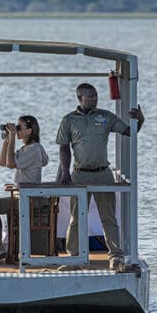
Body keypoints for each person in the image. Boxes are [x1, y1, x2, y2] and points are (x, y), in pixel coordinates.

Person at [56, 83, 145, 271]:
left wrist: (140, 120)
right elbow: (64, 148)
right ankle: (75, 258)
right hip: (80, 174)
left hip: (103, 173)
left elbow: (130, 132)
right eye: (90, 97)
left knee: (109, 217)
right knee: (76, 217)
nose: (95, 99)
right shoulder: (69, 120)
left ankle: (115, 257)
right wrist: (65, 172)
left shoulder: (105, 116)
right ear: (80, 98)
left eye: (96, 96)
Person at [0, 115, 48, 265]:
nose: (16, 131)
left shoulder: (33, 149)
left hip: (28, 198)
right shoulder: (28, 148)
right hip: (23, 196)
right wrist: (7, 140)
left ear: (29, 131)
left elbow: (11, 163)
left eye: (19, 128)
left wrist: (12, 137)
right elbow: (3, 162)